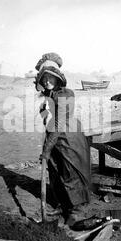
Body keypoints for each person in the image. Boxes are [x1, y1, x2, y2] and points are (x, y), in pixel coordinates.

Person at [34, 52, 92, 228]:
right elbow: (50, 121)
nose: (47, 82)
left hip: (69, 139)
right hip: (55, 138)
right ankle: (62, 206)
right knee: (56, 172)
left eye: (51, 78)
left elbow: (58, 124)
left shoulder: (66, 95)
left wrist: (45, 151)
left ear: (58, 79)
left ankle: (75, 212)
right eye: (45, 79)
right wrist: (43, 112)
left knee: (70, 173)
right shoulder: (50, 96)